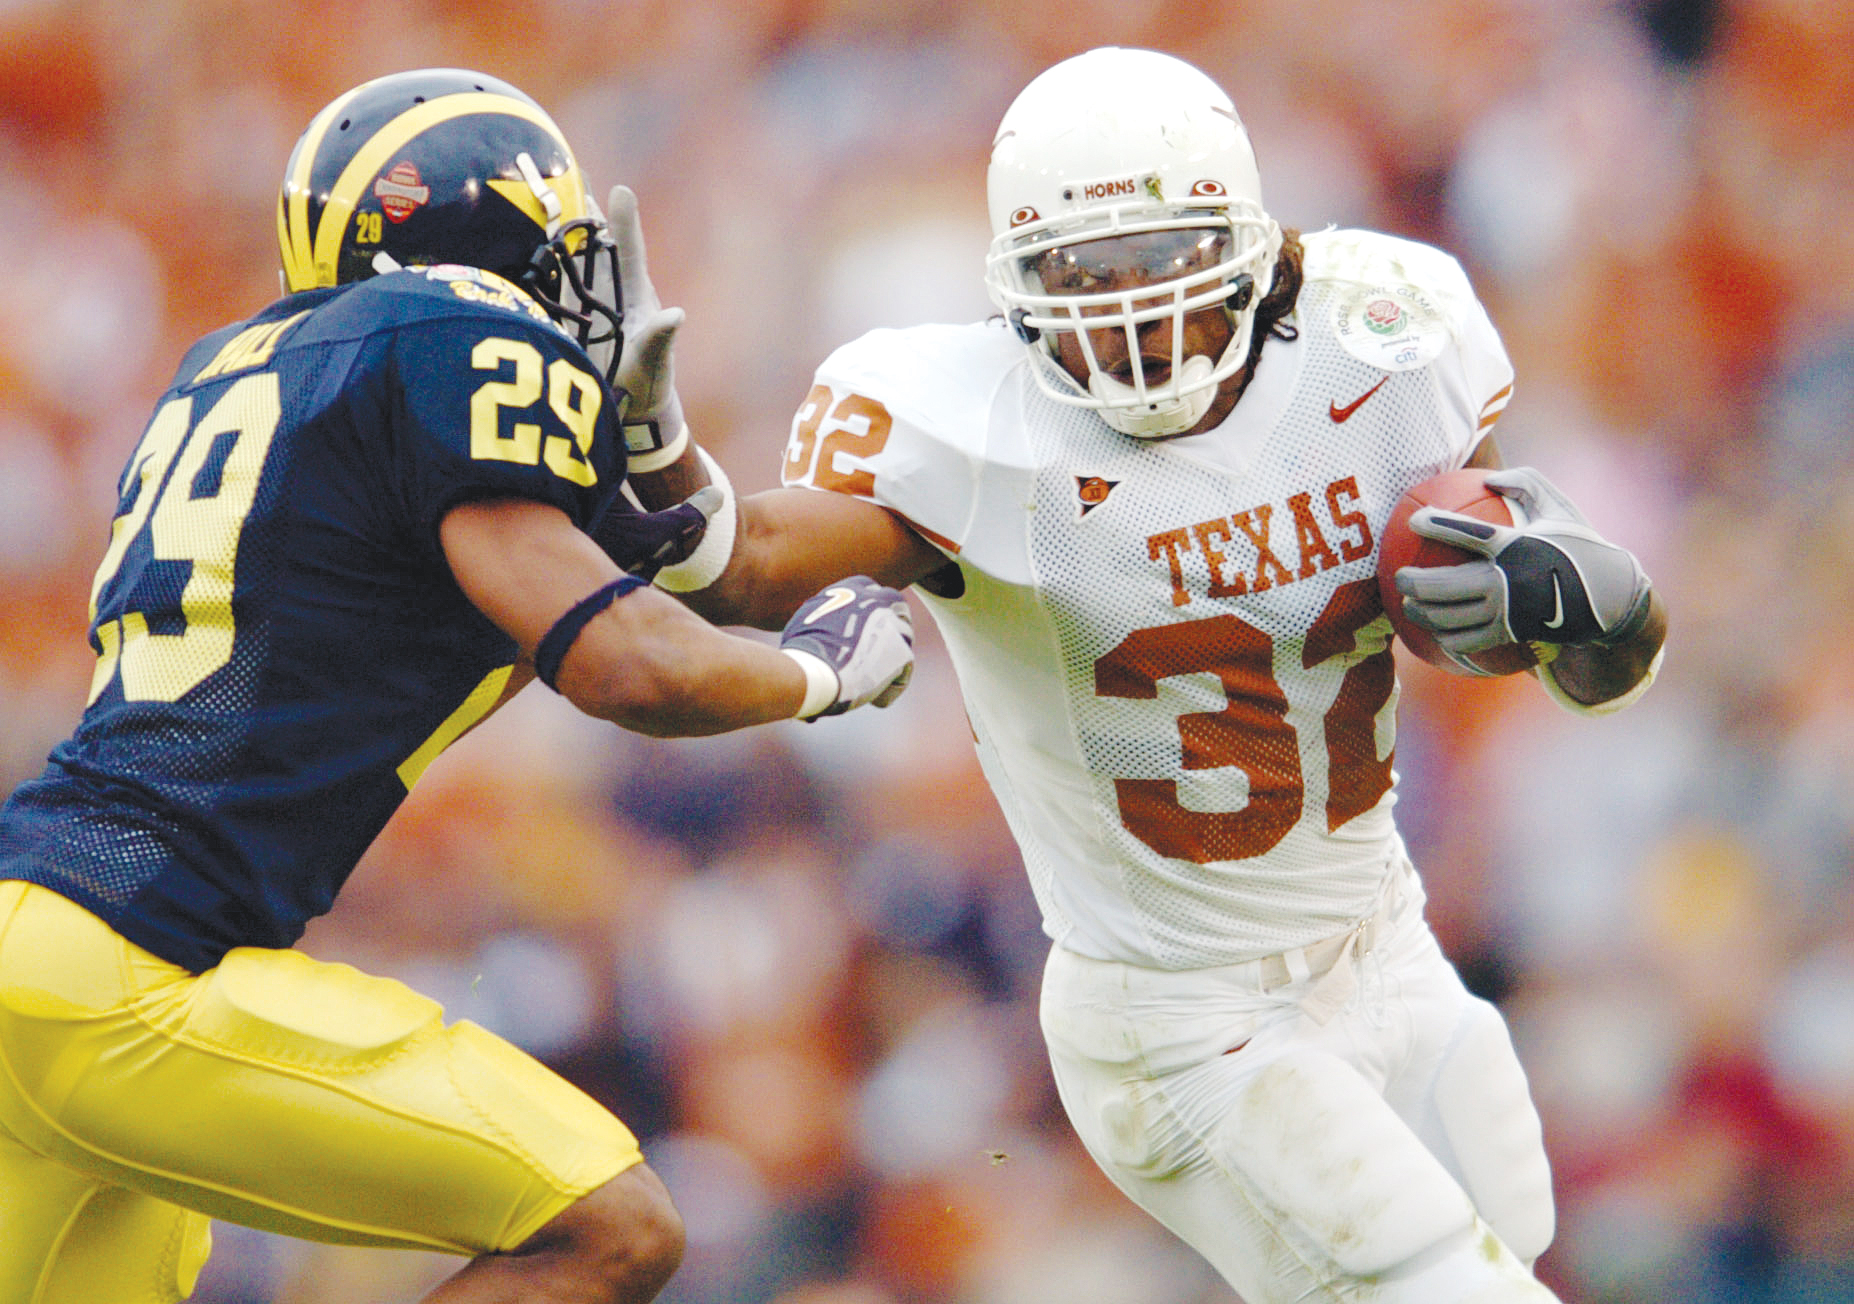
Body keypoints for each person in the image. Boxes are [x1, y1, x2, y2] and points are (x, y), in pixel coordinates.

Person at [619, 46, 1667, 1304]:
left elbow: (1503, 627)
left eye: (1163, 261)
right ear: (1017, 288)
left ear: (1251, 247)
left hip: (1384, 940)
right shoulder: (978, 427)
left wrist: (1601, 610)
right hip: (1181, 1020)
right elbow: (748, 563)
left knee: (1510, 1223)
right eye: (1083, 276)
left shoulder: (1384, 333)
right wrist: (660, 460)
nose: (1127, 313)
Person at [0, 69, 913, 1304]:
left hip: (42, 935)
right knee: (611, 1228)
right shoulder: (449, 347)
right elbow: (627, 658)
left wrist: (654, 451)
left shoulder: (246, 370)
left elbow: (705, 569)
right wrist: (818, 677)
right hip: (136, 971)